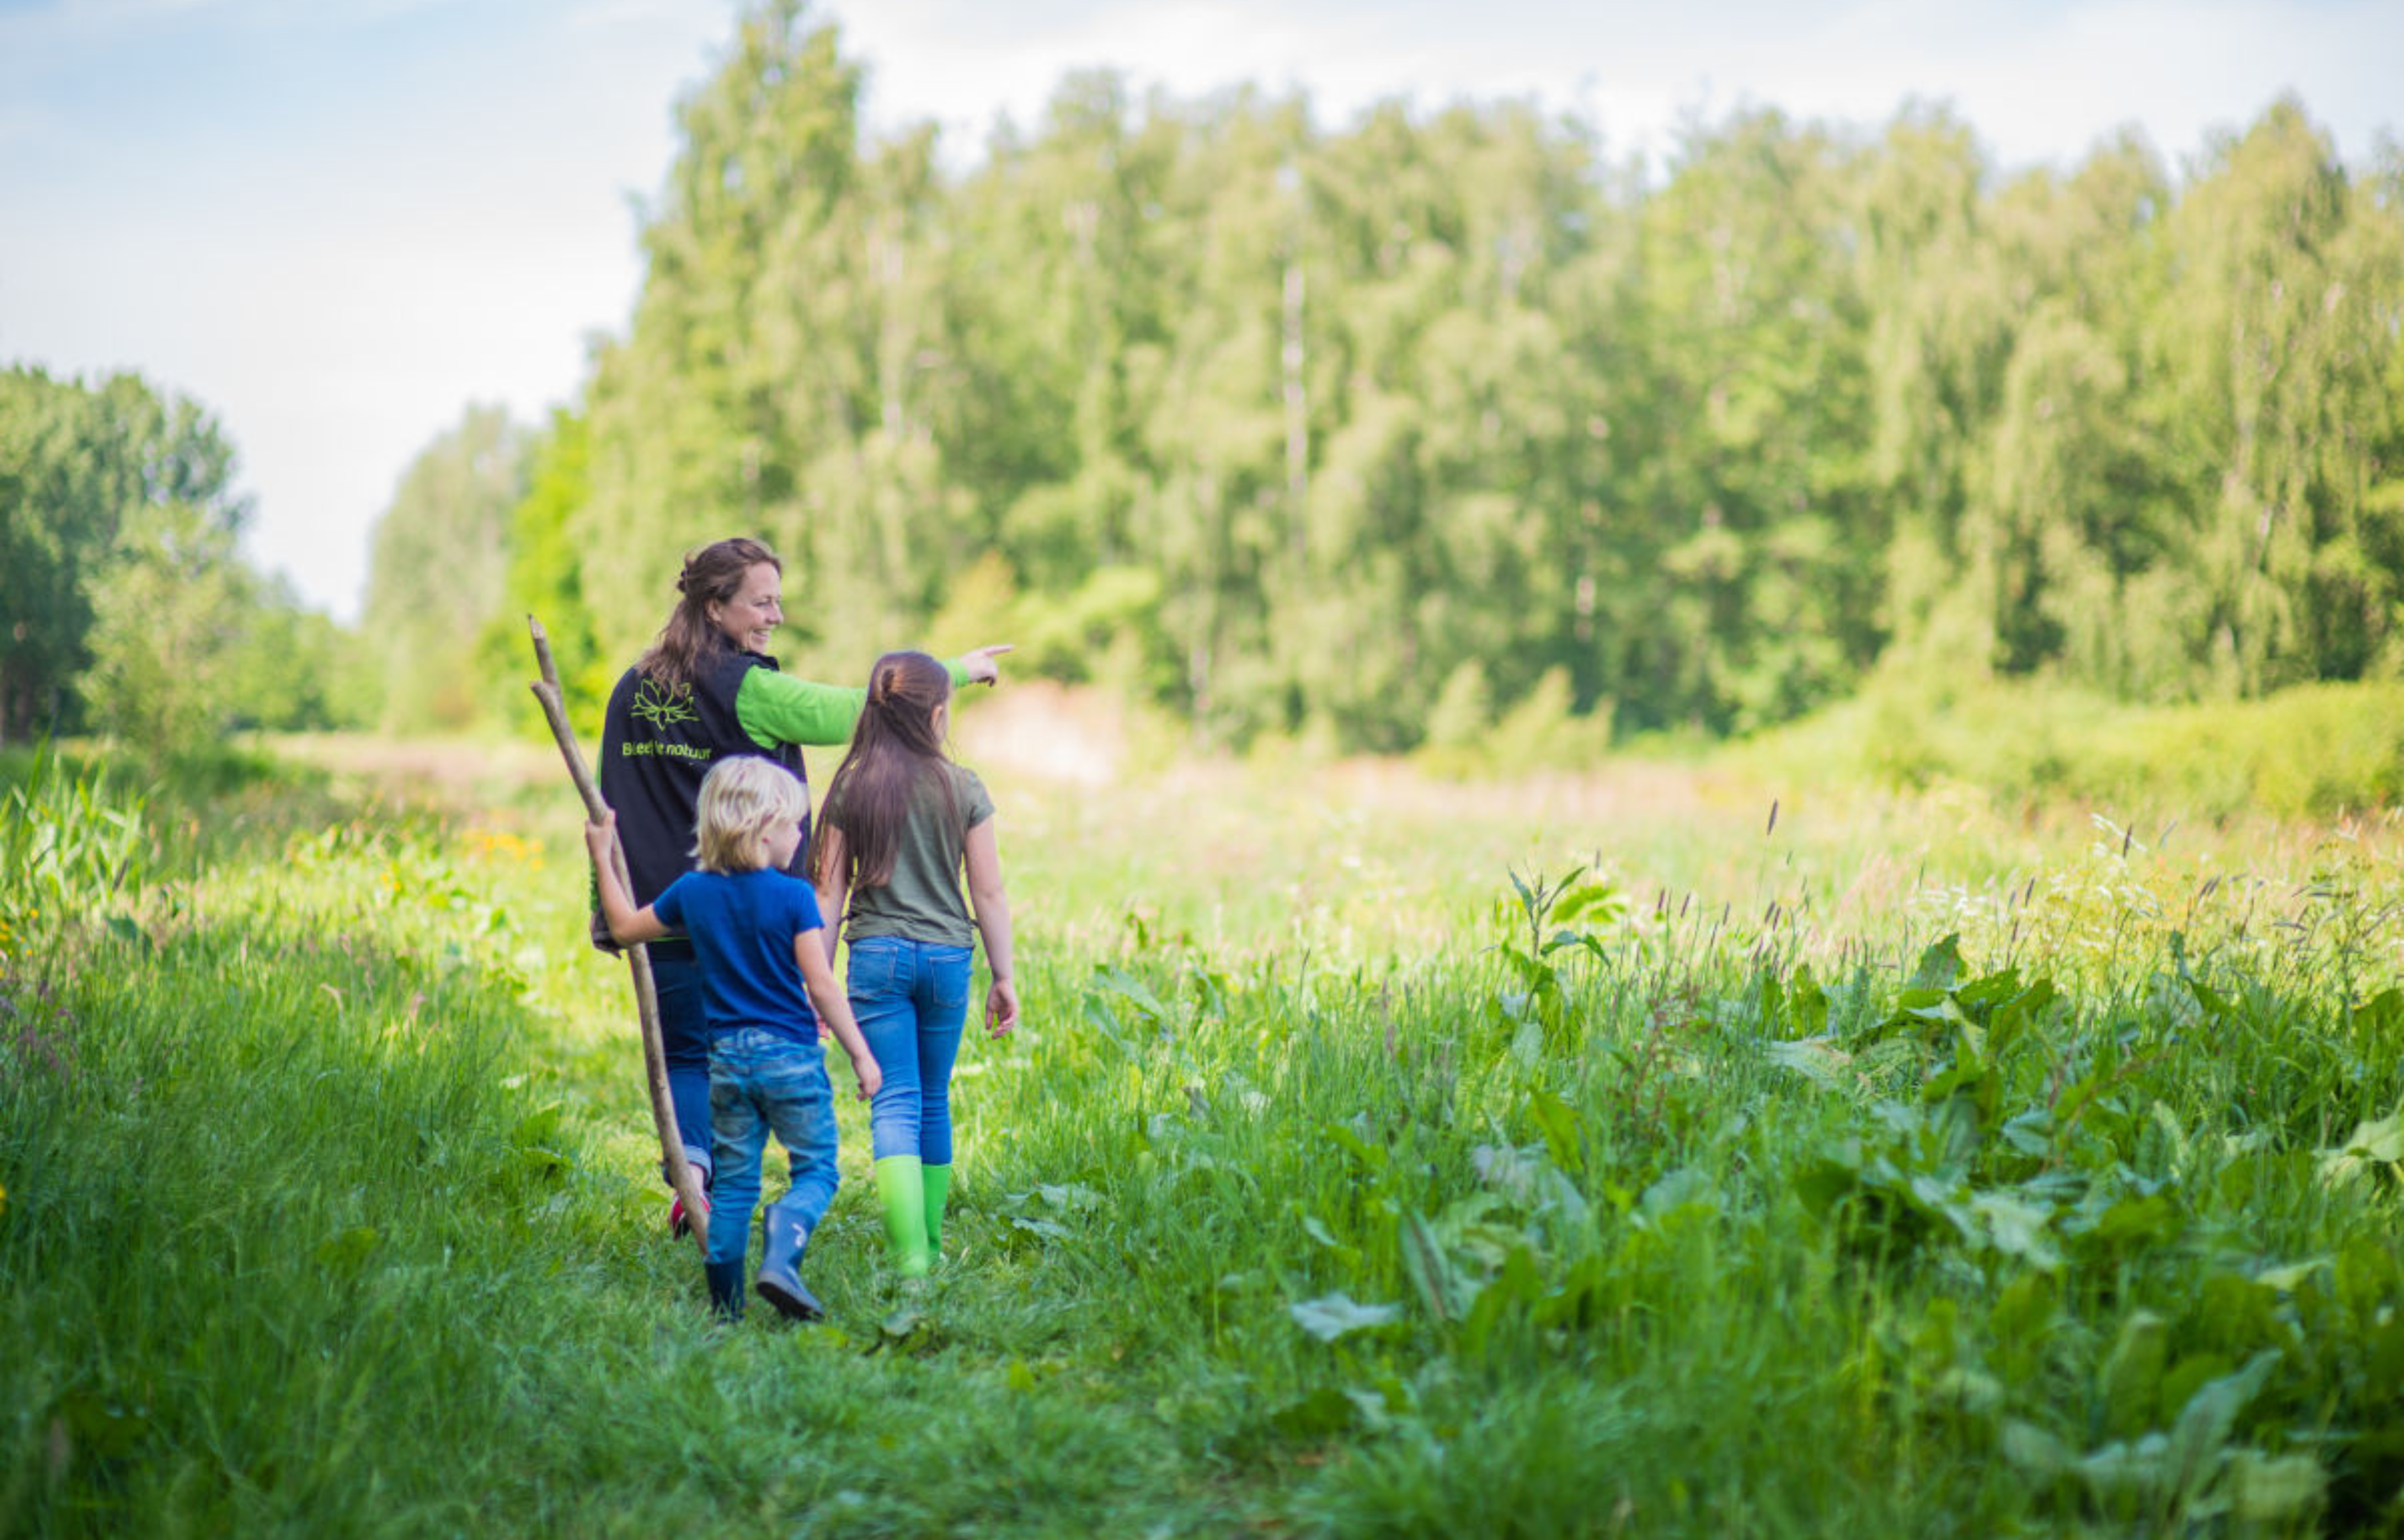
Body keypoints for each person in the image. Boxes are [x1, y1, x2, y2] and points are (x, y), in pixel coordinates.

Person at [596, 536, 1007, 1235]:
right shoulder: (747, 688)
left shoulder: (633, 687)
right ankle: (790, 1187)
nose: (775, 617)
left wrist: (608, 882)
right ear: (715, 605)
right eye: (762, 602)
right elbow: (870, 706)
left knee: (689, 1056)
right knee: (764, 1043)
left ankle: (693, 1176)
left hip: (659, 902)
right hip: (749, 911)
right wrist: (956, 671)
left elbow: (614, 797)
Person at [585, 757, 881, 1321]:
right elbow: (820, 984)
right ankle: (783, 1243)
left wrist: (603, 852)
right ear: (765, 826)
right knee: (817, 1170)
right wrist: (861, 1054)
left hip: (728, 1063)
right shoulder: (794, 897)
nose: (800, 835)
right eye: (795, 824)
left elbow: (624, 929)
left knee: (738, 1181)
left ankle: (726, 1312)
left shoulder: (692, 892)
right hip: (791, 1057)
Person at [811, 650, 1019, 1281]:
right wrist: (1004, 976)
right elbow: (988, 892)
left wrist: (815, 985)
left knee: (893, 1100)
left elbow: (827, 893)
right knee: (933, 1098)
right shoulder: (964, 787)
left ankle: (912, 1263)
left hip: (875, 958)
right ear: (934, 713)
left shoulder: (852, 786)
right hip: (950, 959)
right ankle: (928, 1239)